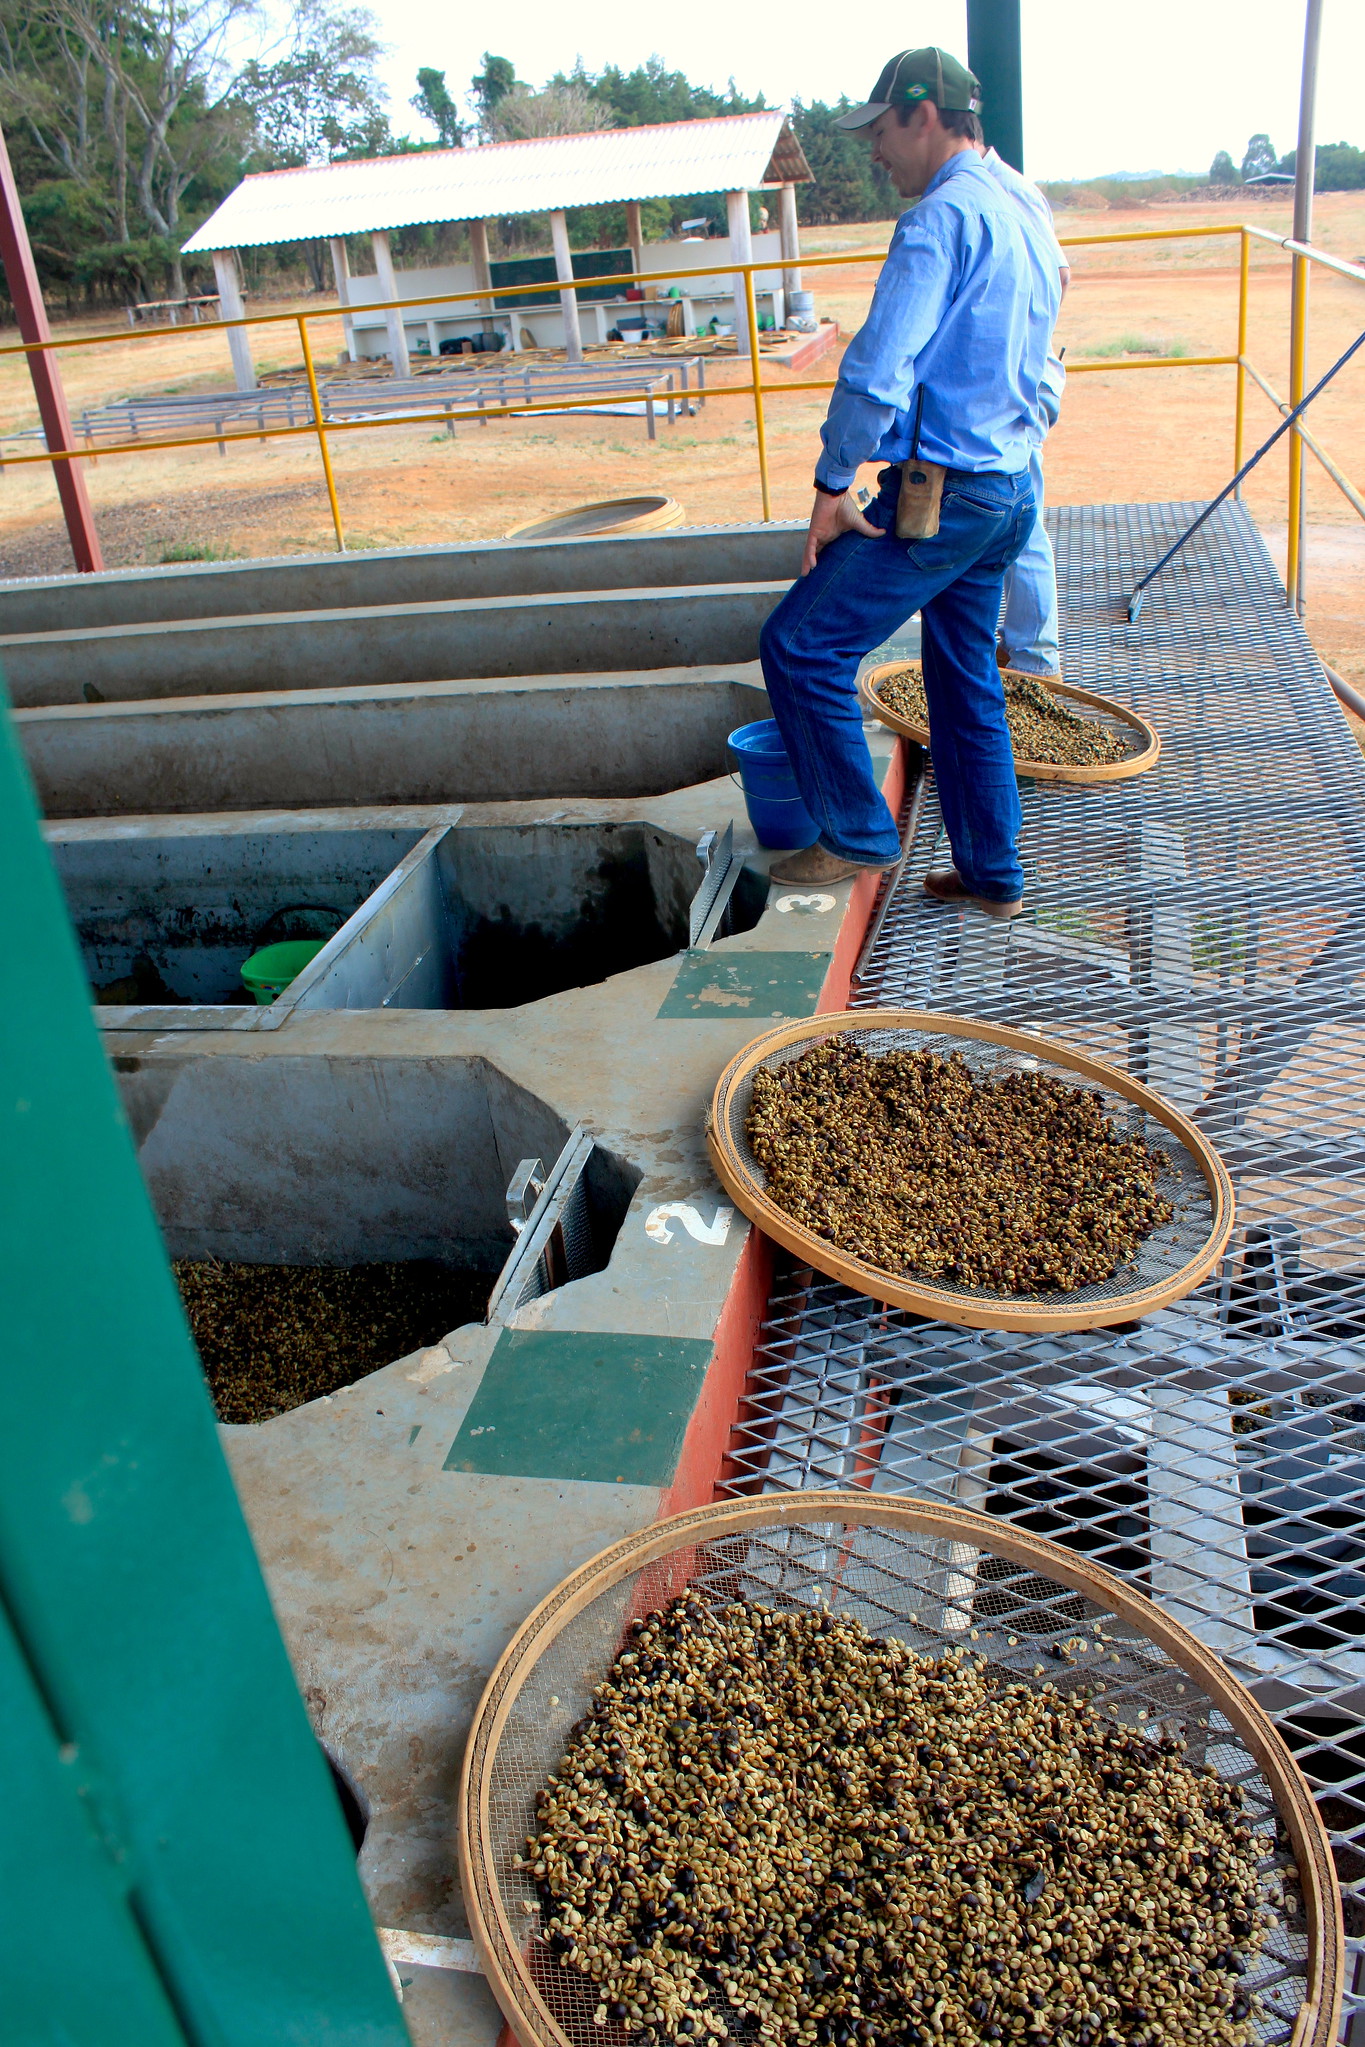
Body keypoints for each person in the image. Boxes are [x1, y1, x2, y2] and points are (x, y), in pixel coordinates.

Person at [759, 47, 1061, 918]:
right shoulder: (1021, 204)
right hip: (1008, 488)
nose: (874, 151)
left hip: (949, 493)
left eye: (881, 130)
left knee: (800, 645)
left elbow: (876, 368)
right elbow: (1048, 339)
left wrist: (831, 479)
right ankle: (993, 873)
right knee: (962, 674)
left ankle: (855, 834)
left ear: (923, 115)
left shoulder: (938, 220)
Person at [978, 142, 1071, 678]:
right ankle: (1024, 651)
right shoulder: (1003, 187)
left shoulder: (1003, 189)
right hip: (1023, 378)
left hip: (1019, 381)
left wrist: (1019, 340)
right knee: (1017, 514)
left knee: (1024, 522)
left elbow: (1058, 277)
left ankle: (1035, 662)